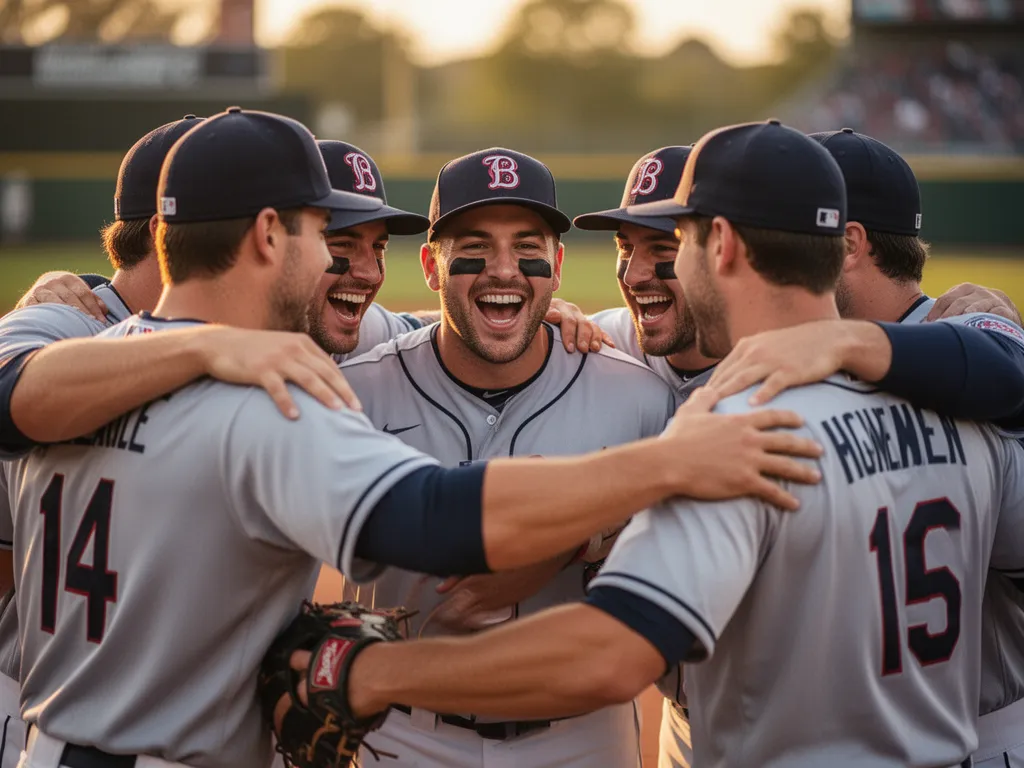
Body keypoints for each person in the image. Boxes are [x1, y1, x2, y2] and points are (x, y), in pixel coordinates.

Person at [6, 108, 823, 768]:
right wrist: (666, 463)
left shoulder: (72, 373)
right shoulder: (274, 400)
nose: (340, 265)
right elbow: (431, 516)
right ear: (266, 235)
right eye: (319, 233)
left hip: (52, 742)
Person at [333, 121, 1024, 768]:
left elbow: (610, 655)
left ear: (718, 244)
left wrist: (368, 672)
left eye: (675, 243)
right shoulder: (974, 418)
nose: (643, 274)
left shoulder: (732, 440)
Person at [574, 139, 1024, 768]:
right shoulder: (655, 335)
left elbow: (1008, 365)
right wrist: (551, 320)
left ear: (845, 243)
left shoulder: (957, 351)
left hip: (955, 719)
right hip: (733, 711)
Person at [342, 148, 675, 767]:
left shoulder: (639, 397)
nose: (504, 271)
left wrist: (577, 533)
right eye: (474, 246)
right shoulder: (356, 391)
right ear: (431, 267)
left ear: (558, 265)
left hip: (584, 734)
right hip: (401, 733)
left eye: (528, 247)